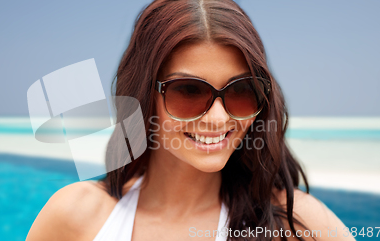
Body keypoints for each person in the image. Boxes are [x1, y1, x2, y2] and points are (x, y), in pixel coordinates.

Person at [26, 0, 355, 240]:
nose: (218, 117)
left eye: (241, 90)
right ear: (143, 94)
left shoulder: (298, 224)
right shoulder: (75, 217)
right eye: (188, 91)